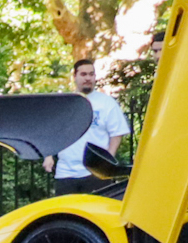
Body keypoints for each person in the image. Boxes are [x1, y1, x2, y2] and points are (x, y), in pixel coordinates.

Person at [46, 56, 130, 194]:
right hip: (65, 173)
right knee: (67, 214)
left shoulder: (106, 103)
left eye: (91, 74)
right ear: (74, 76)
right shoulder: (65, 103)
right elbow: (53, 132)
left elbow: (117, 134)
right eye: (83, 74)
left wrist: (108, 159)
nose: (88, 78)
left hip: (96, 173)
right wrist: (48, 156)